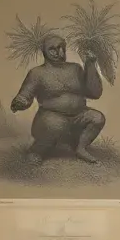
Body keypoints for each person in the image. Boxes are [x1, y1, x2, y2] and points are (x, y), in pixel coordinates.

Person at [10, 33, 105, 163]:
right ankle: (37, 151)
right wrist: (20, 102)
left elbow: (94, 93)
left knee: (97, 118)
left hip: (78, 117)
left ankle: (81, 148)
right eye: (53, 49)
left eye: (62, 48)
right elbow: (25, 95)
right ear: (44, 51)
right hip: (49, 118)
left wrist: (90, 65)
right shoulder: (37, 73)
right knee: (56, 125)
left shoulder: (75, 68)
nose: (59, 52)